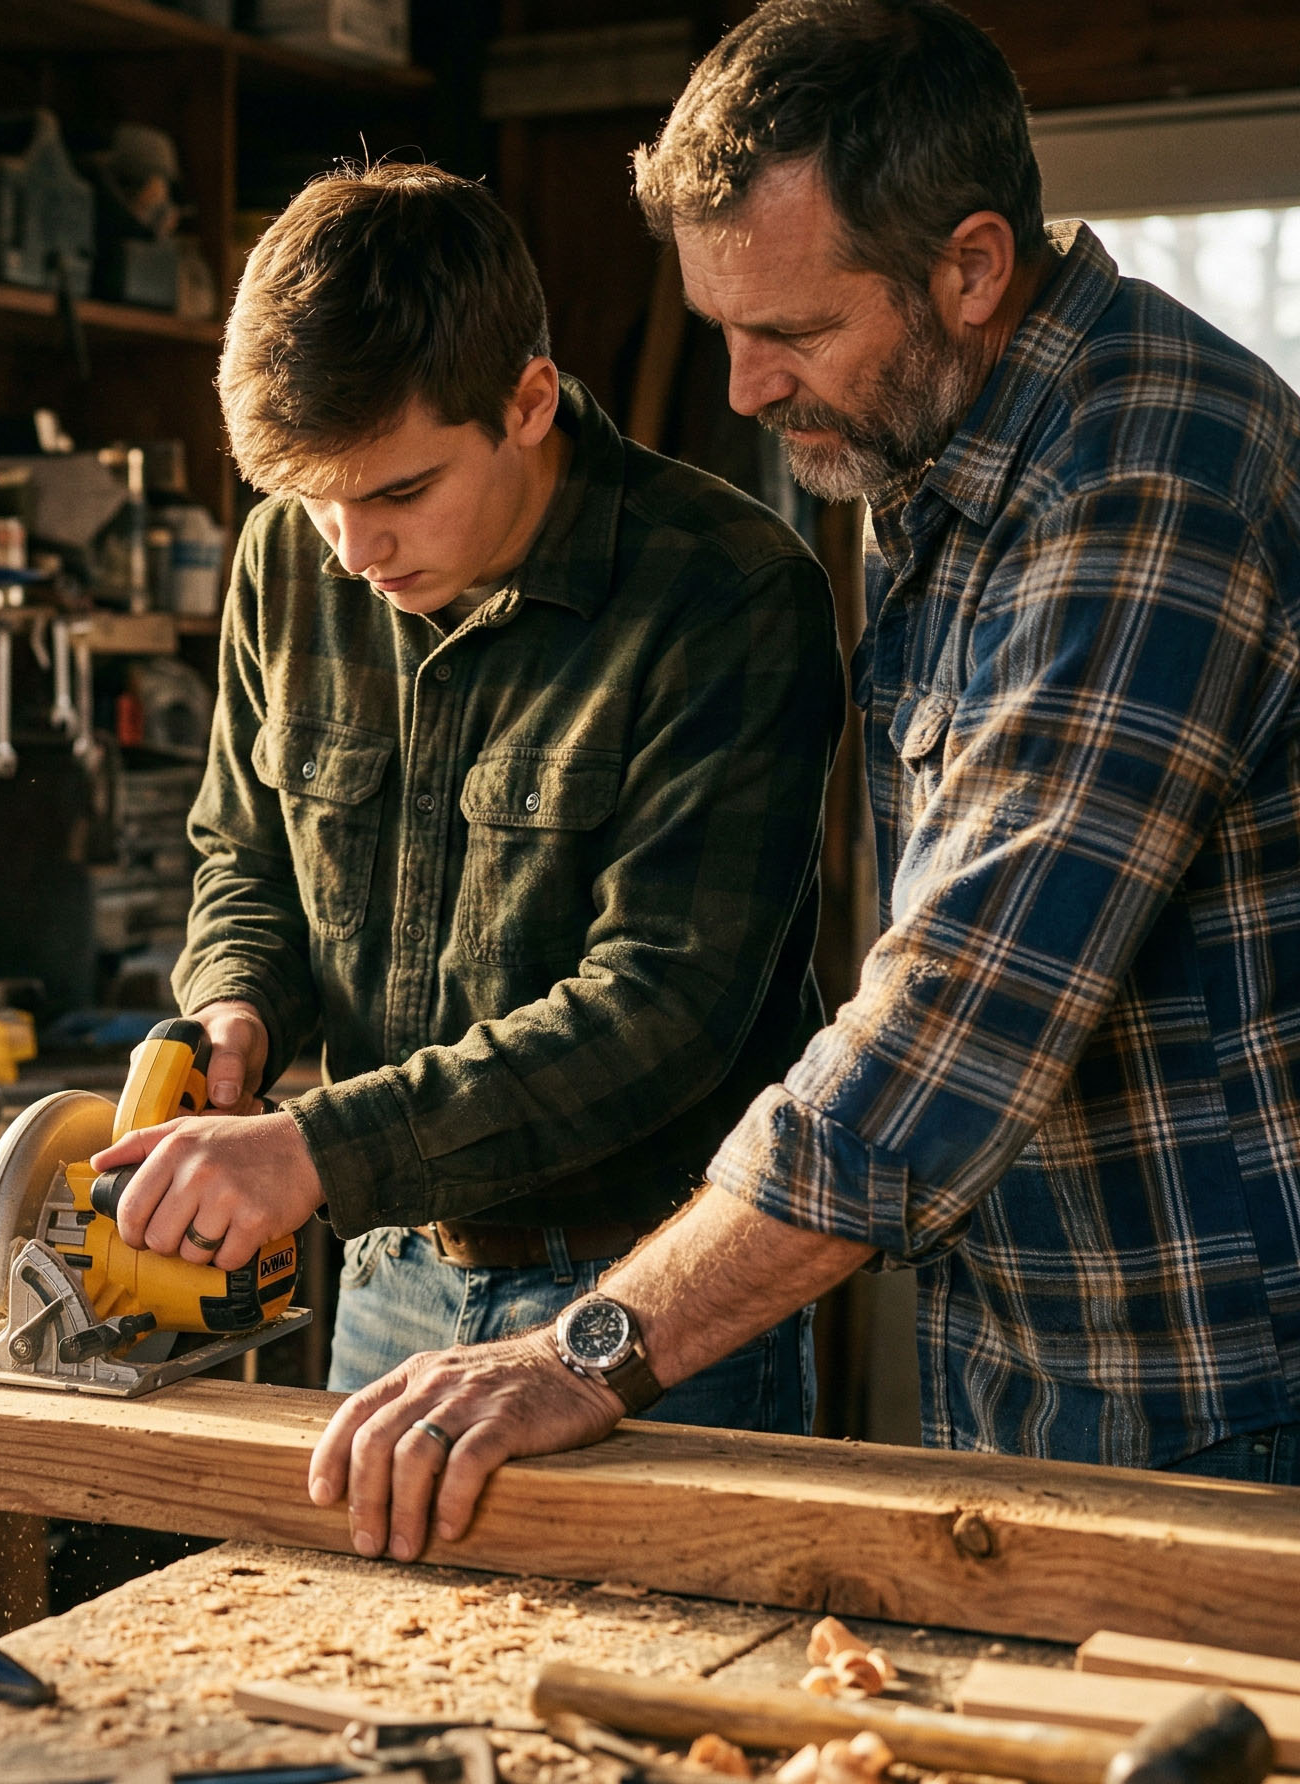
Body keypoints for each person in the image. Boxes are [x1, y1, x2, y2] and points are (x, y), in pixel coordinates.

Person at [311, 0, 1300, 1565]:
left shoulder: (1142, 487)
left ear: (971, 269)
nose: (744, 391)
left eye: (788, 333)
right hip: (1046, 1360)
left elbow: (951, 1028)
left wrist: (587, 1348)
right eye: (720, 328)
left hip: (1234, 1393)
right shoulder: (957, 458)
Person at [87, 161, 846, 1434]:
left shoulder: (729, 595)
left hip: (651, 1303)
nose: (353, 551)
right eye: (312, 498)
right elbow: (245, 855)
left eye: (397, 492)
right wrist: (234, 1007)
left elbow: (660, 1008)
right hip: (384, 1272)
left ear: (529, 400)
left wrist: (315, 1151)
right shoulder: (294, 557)